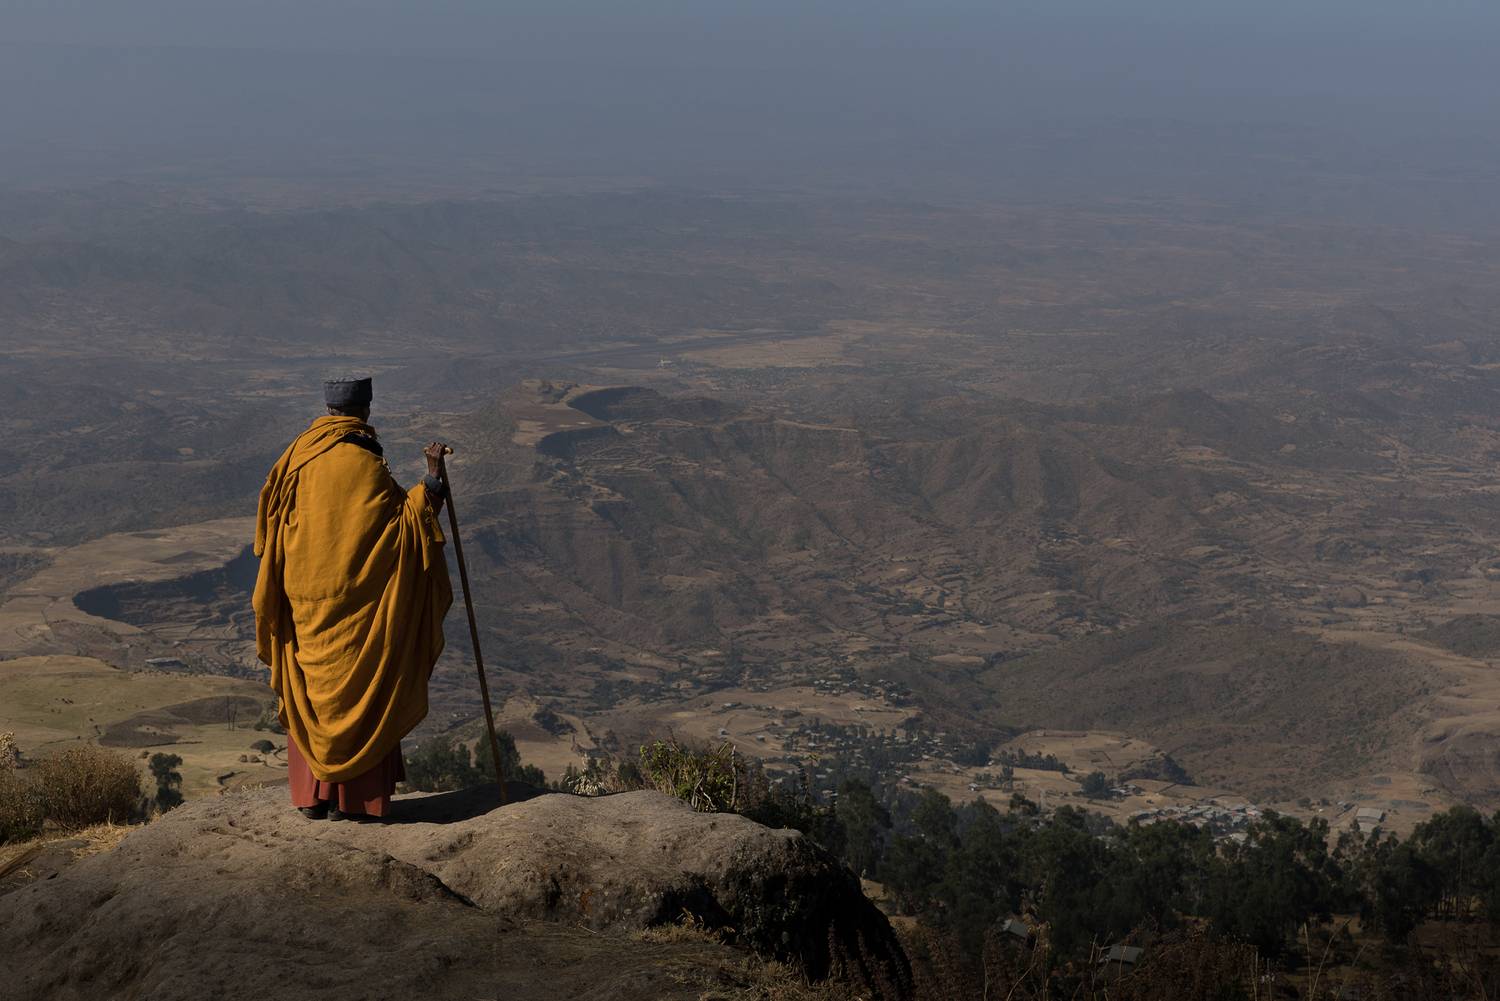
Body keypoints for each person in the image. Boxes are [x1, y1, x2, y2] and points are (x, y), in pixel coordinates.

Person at [252, 376, 453, 821]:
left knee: (312, 691)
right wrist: (432, 480)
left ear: (328, 410)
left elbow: (272, 530)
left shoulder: (296, 457)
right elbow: (404, 531)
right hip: (357, 614)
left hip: (304, 605)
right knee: (359, 691)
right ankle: (353, 802)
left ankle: (312, 797)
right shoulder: (365, 462)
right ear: (365, 410)